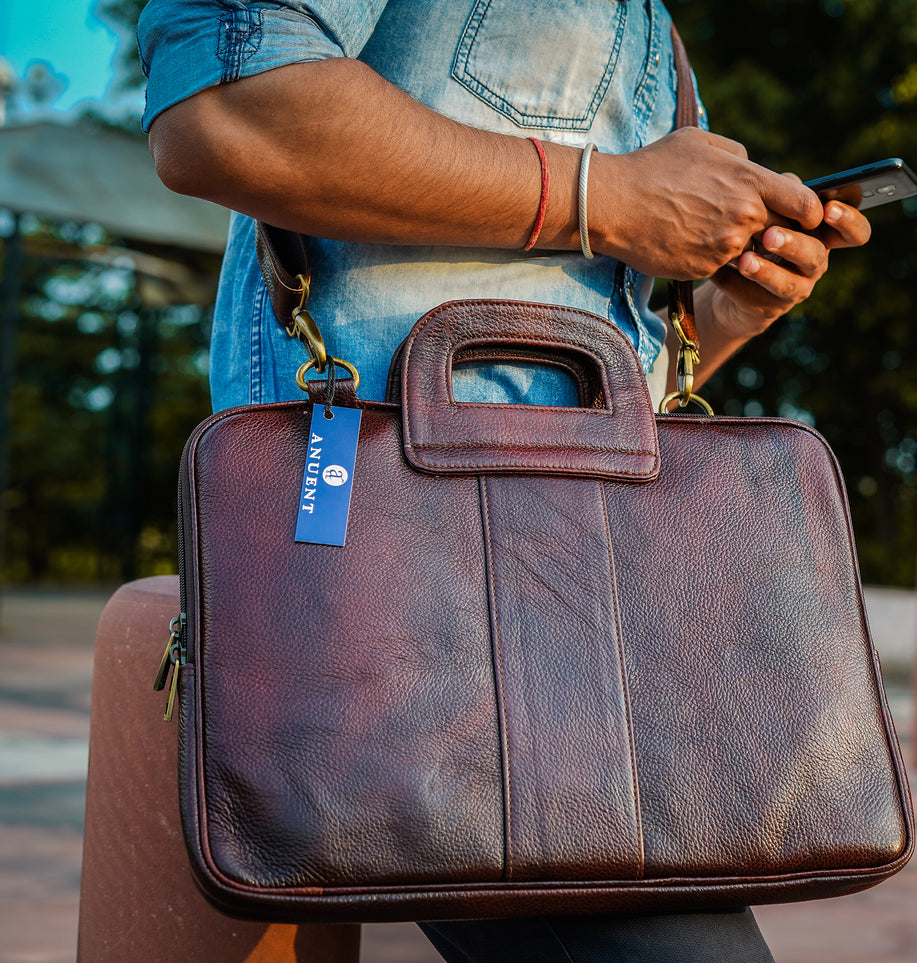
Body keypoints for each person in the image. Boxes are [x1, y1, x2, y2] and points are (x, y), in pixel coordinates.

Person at [139, 1, 872, 959]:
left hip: (587, 608)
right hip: (404, 569)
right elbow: (223, 106)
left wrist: (716, 317)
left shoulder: (653, 27)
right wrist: (604, 199)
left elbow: (609, 393)